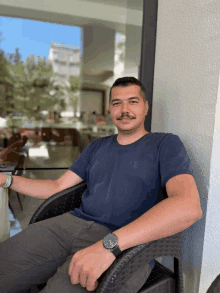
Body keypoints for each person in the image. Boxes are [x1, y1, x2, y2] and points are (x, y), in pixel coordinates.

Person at [0, 77, 203, 293]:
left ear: (145, 107)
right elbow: (57, 186)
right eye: (117, 103)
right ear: (109, 110)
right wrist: (8, 180)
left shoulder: (165, 144)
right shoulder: (97, 146)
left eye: (132, 101)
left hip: (126, 240)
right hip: (71, 224)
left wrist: (109, 245)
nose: (124, 109)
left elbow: (188, 206)